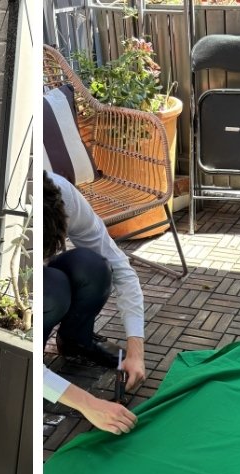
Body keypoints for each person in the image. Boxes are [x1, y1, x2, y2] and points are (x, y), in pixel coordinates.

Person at [43, 171, 143, 436]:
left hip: (47, 275)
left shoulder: (62, 194)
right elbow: (20, 358)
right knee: (51, 290)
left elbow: (122, 268)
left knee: (95, 266)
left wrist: (136, 352)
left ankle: (76, 341)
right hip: (37, 290)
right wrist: (89, 405)